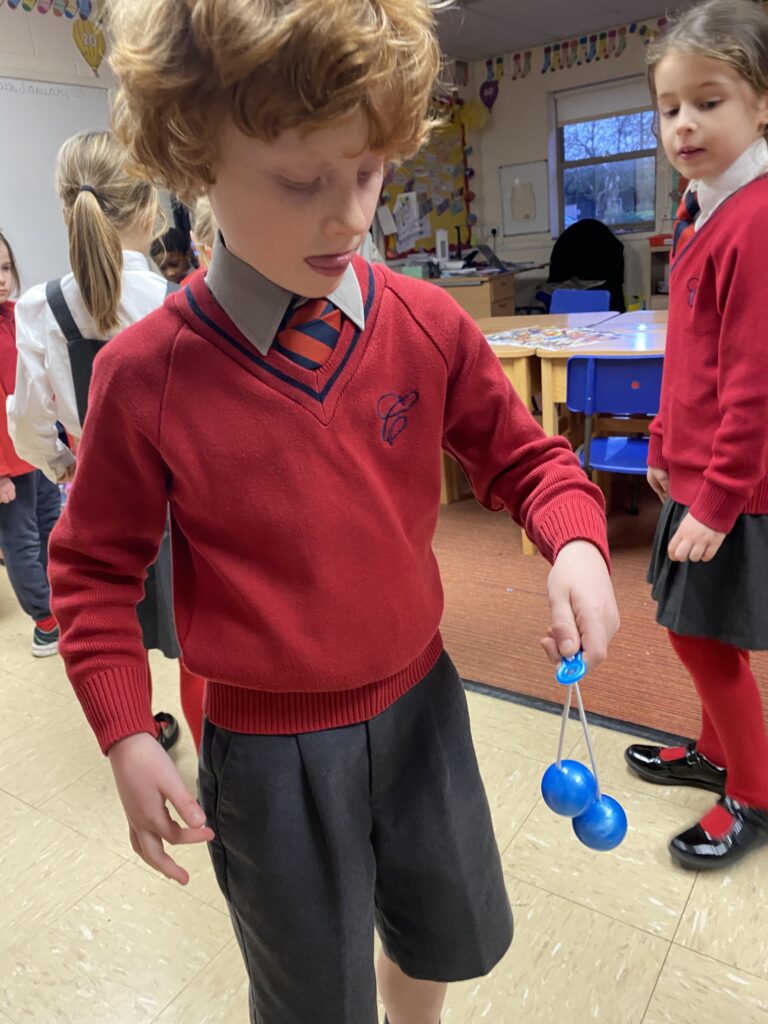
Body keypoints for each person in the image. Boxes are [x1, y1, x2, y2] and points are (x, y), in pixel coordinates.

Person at [47, 2, 619, 1022]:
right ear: (197, 160)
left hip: (423, 708)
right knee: (310, 991)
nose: (352, 216)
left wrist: (574, 536)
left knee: (443, 930)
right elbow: (93, 567)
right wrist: (128, 729)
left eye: (368, 171)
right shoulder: (146, 374)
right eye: (303, 180)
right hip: (266, 753)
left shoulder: (427, 323)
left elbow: (527, 459)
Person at [624, 0, 768, 869]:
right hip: (694, 468)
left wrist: (712, 497)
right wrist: (661, 444)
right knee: (693, 632)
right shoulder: (702, 203)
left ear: (761, 104)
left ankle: (750, 794)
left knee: (701, 640)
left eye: (708, 102)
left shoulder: (754, 219)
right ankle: (717, 755)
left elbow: (755, 383)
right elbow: (696, 353)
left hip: (731, 486)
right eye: (671, 106)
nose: (684, 124)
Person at [7, 130, 207, 750]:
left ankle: (138, 731)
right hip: (184, 508)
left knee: (113, 628)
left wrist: (63, 462)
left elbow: (29, 423)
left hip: (98, 502)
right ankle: (211, 747)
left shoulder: (39, 309)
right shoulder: (181, 301)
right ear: (149, 211)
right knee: (199, 636)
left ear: (67, 210)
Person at [0, 230, 61, 656]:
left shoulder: (16, 315)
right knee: (20, 543)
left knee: (51, 530)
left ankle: (60, 604)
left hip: (35, 450)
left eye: (5, 267)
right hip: (7, 464)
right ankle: (45, 623)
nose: (2, 278)